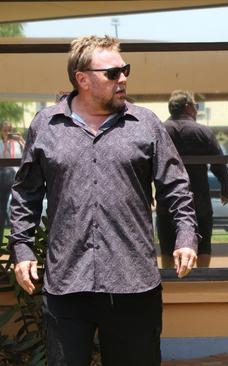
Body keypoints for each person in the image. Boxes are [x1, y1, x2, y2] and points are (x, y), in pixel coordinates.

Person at [8, 35, 198, 365]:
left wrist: (185, 237)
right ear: (82, 78)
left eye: (125, 70)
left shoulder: (145, 124)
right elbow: (26, 192)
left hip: (133, 282)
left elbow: (176, 187)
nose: (122, 78)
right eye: (112, 73)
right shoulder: (46, 125)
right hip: (67, 282)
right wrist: (22, 247)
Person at [157, 90, 228, 268]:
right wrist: (225, 187)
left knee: (167, 246)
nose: (197, 110)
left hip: (167, 199)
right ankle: (202, 282)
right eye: (196, 106)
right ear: (188, 107)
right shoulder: (203, 131)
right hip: (199, 199)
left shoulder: (160, 130)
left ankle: (171, 284)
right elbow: (218, 163)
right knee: (203, 244)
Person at [0, 121, 23, 242]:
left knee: (18, 210)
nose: (7, 133)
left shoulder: (17, 144)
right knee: (2, 210)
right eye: (5, 130)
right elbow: (3, 158)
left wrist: (22, 140)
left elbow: (28, 155)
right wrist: (4, 142)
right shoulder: (0, 143)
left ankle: (18, 241)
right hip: (3, 178)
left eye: (9, 130)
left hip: (17, 178)